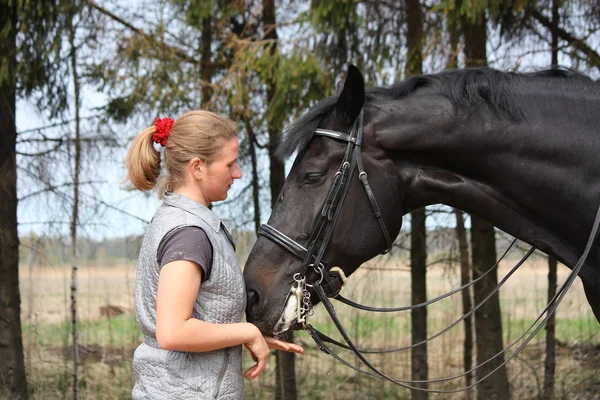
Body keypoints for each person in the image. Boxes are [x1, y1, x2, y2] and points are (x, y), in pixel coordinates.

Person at [125, 110, 303, 399]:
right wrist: (246, 333)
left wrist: (244, 336)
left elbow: (199, 317)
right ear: (197, 168)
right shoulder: (189, 232)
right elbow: (172, 332)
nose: (238, 173)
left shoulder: (181, 220)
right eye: (230, 164)